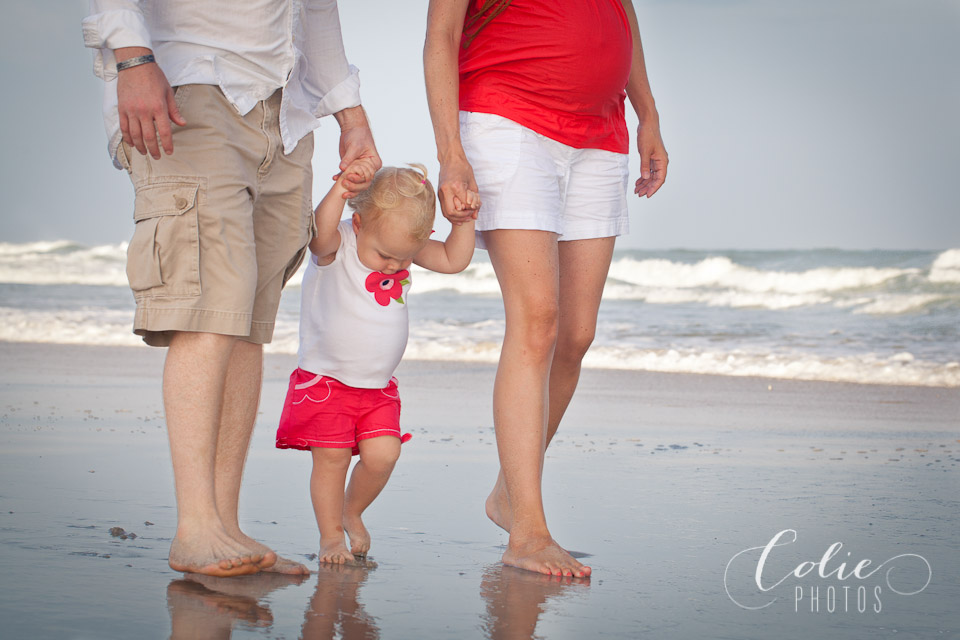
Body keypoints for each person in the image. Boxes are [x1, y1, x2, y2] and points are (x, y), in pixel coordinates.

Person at [82, 0, 381, 577]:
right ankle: (195, 529)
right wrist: (131, 56)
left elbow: (316, 9)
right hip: (187, 82)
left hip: (287, 112)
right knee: (210, 306)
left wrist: (351, 114)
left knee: (246, 321)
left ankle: (223, 523)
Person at [424, 0, 669, 578]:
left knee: (576, 336)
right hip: (508, 120)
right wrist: (450, 153)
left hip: (601, 132)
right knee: (536, 319)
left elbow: (622, 16)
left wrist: (647, 115)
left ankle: (509, 494)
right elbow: (441, 35)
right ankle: (528, 532)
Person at [276, 161, 477, 565]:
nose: (394, 266)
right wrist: (340, 191)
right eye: (385, 255)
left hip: (378, 388)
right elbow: (317, 238)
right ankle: (331, 537)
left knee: (384, 455)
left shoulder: (401, 249)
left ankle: (352, 511)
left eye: (403, 259)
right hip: (326, 382)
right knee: (331, 460)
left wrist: (465, 221)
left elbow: (455, 260)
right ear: (360, 223)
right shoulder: (340, 245)